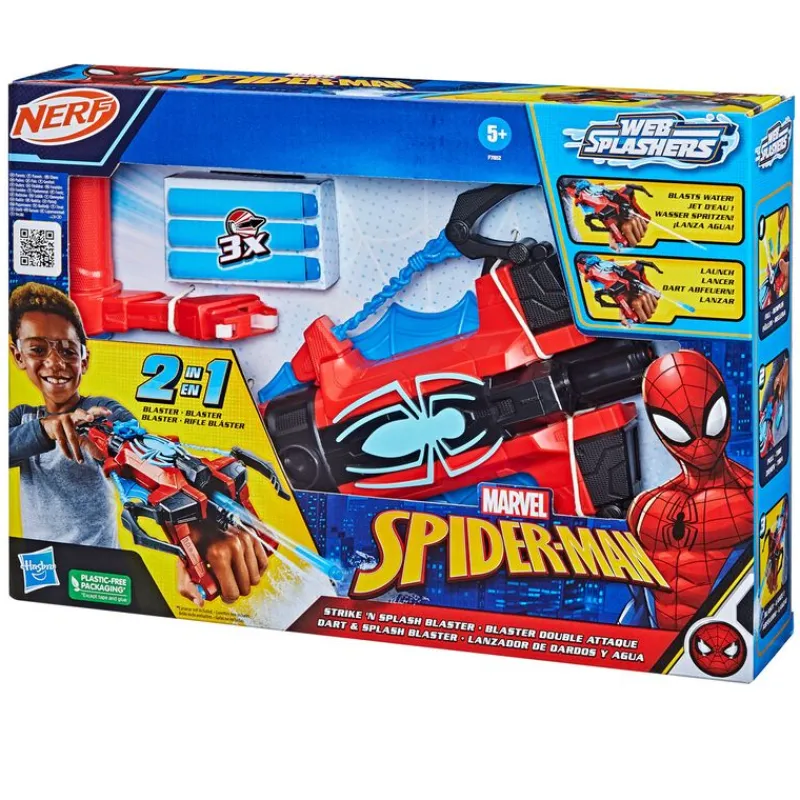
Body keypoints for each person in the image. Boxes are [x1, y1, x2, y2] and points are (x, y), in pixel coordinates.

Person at [9, 282, 265, 605]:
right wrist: (45, 429)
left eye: (68, 350)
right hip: (38, 567)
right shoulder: (22, 418)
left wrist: (195, 533)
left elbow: (141, 452)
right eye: (37, 349)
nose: (55, 363)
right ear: (17, 355)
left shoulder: (101, 409)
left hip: (99, 574)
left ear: (84, 359)